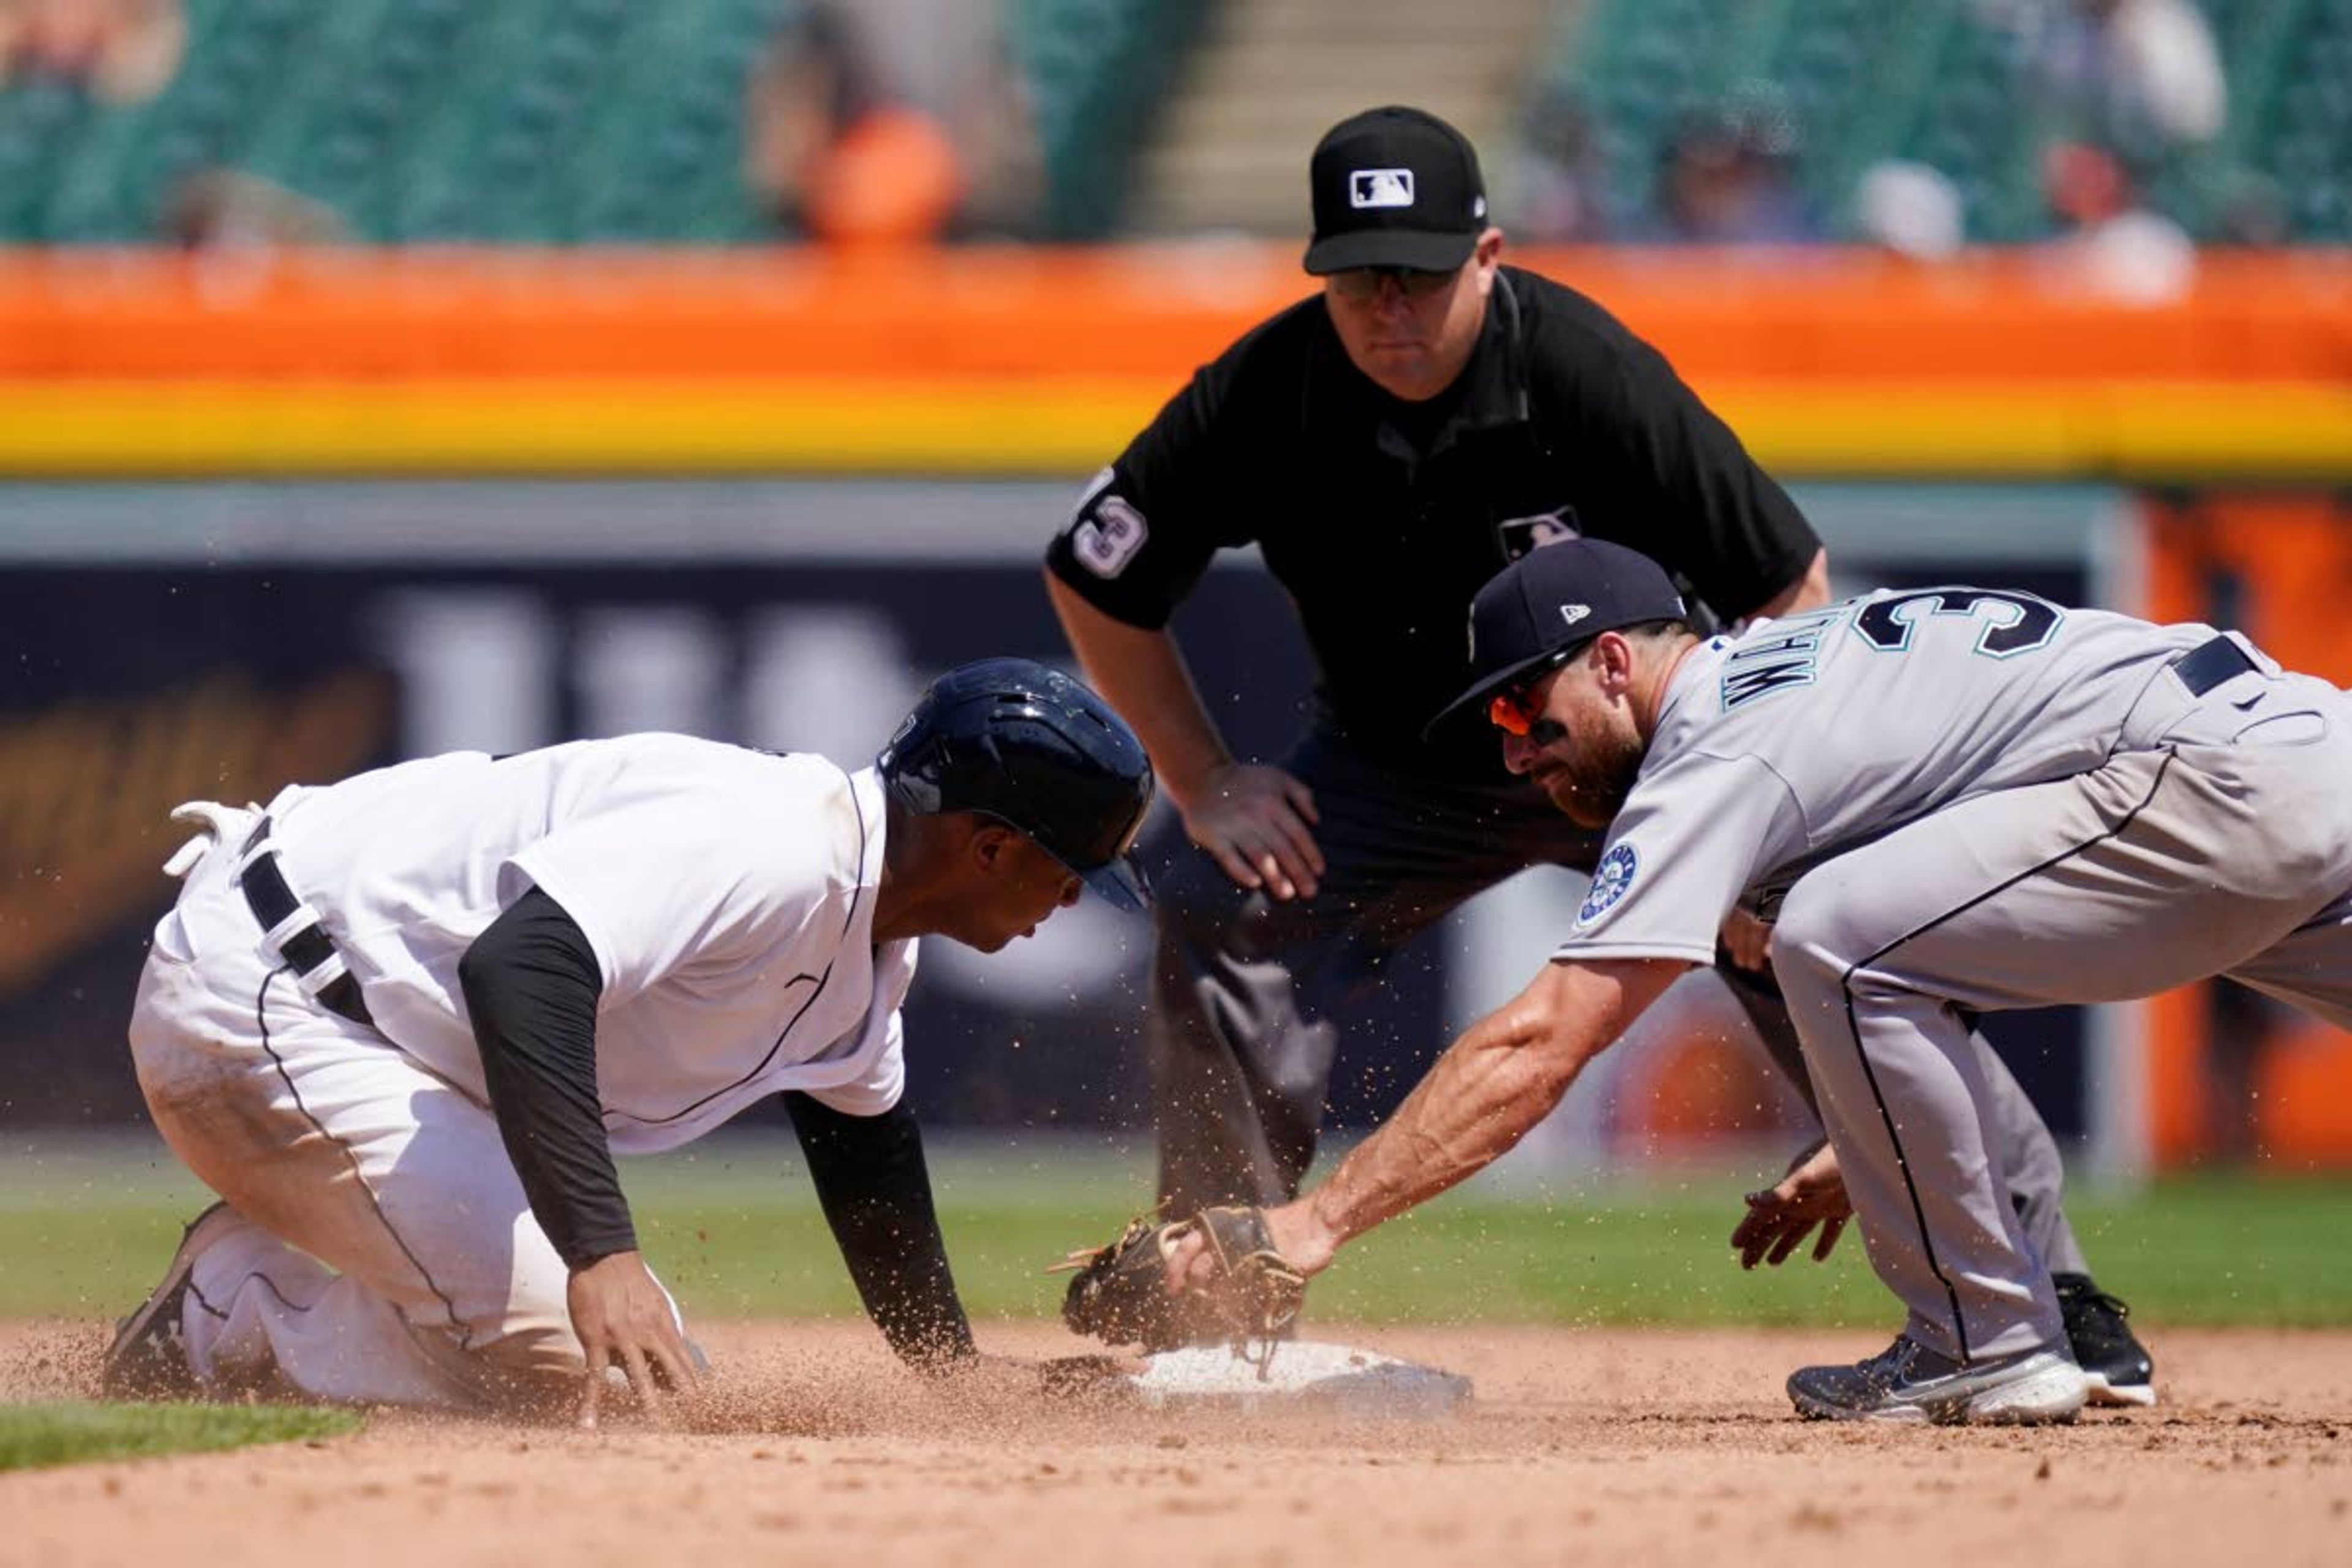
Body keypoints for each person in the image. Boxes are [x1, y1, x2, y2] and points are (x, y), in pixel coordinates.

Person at [1042, 104, 2151, 1400]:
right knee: (1228, 901)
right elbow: (1094, 570)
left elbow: (1788, 585)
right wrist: (1204, 776)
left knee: (1837, 924)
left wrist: (1761, 829)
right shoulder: (1269, 388)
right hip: (1397, 766)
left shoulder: (1581, 367)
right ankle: (1218, 1303)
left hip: (1629, 746)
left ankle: (2050, 1289)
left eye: (1419, 271)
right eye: (1357, 278)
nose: (1387, 306)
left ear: (1490, 255)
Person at [1180, 537, 2352, 1422]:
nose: (1513, 750)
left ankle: (1983, 1339)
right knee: (1852, 943)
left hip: (2198, 781)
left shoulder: (1718, 741)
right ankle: (1984, 1323)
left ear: (1610, 659)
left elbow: (1552, 1037)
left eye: (1519, 705)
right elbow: (1973, 919)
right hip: (2303, 752)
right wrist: (1883, 1129)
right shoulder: (1810, 674)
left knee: (1831, 939)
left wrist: (1313, 1223)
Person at [102, 658, 1153, 1422]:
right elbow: (521, 970)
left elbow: (865, 1156)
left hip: (380, 1036)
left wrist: (954, 1376)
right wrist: (601, 1255)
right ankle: (229, 1309)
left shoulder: (869, 935)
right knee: (574, 1360)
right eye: (1069, 869)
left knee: (633, 1373)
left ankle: (281, 1272)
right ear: (987, 846)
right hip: (266, 993)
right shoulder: (778, 845)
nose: (1070, 899)